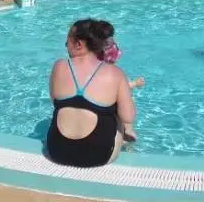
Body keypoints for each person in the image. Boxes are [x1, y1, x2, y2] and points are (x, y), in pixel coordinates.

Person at [46, 19, 137, 168]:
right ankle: (126, 142)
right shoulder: (115, 73)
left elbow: (53, 99)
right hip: (98, 156)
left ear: (79, 44)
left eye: (67, 41)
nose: (65, 46)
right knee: (120, 112)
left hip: (57, 151)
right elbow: (128, 116)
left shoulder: (59, 66)